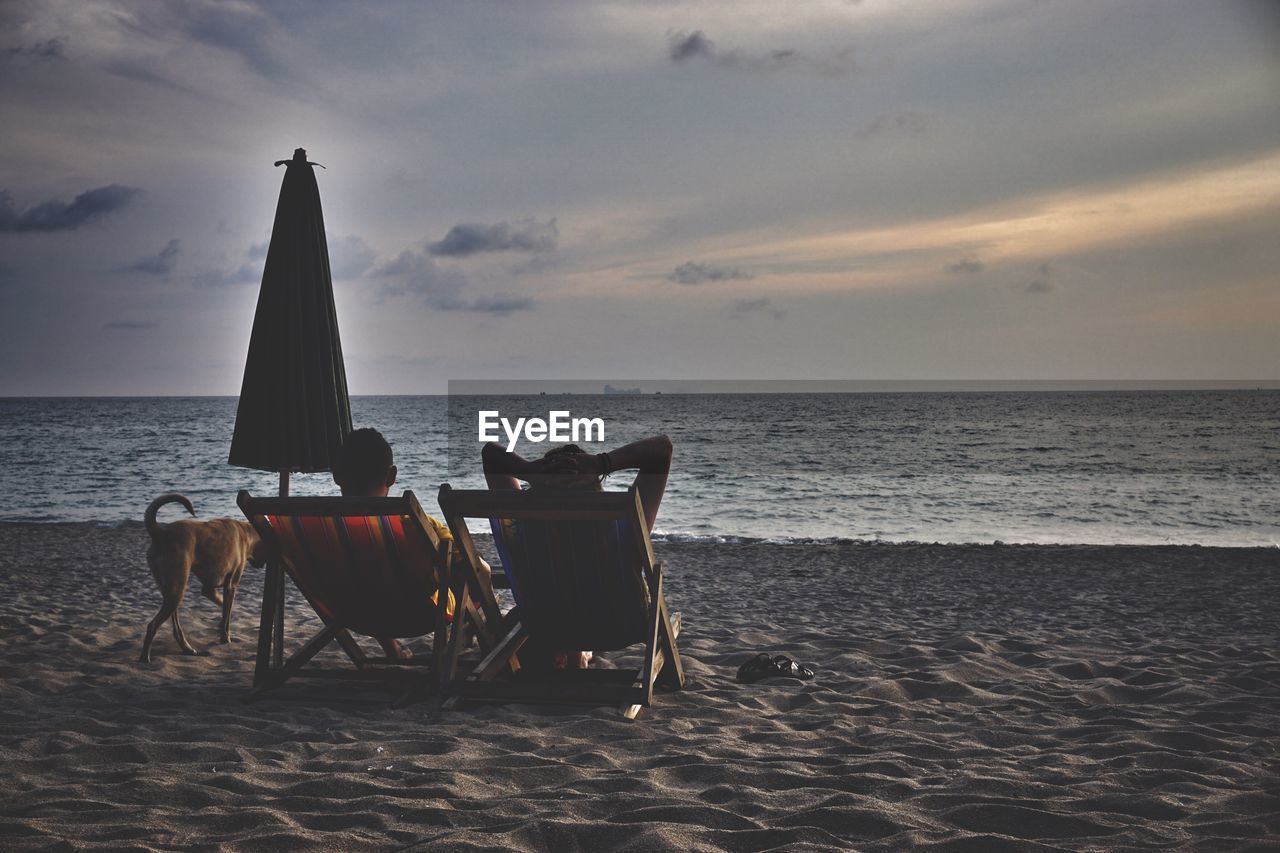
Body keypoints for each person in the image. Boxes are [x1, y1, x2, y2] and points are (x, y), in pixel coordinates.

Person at [481, 434, 674, 668]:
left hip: (547, 626)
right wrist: (602, 463)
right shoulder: (624, 527)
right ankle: (579, 654)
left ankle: (574, 653)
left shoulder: (522, 526)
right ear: (594, 485)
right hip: (620, 627)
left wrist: (534, 471)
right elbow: (662, 450)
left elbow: (491, 454)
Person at [331, 427, 493, 659]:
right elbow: (472, 567)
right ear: (391, 476)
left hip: (351, 612)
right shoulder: (411, 524)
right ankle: (481, 632)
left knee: (369, 579)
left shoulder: (318, 528)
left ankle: (392, 648)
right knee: (478, 570)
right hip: (420, 614)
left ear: (336, 475)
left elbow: (263, 552)